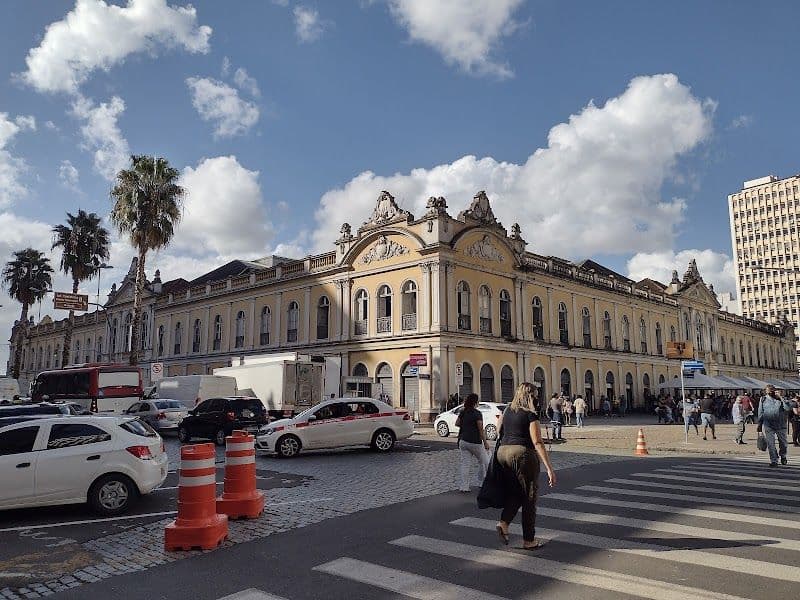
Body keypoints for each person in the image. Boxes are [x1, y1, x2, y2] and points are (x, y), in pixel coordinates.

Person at [495, 382, 557, 550]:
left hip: (503, 454)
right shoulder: (530, 414)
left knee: (517, 493)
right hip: (522, 454)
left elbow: (498, 430)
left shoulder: (507, 409)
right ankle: (529, 540)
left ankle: (504, 523)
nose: (537, 399)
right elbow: (537, 441)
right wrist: (549, 468)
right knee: (529, 497)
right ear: (531, 396)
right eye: (536, 395)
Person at [456, 393, 490, 492]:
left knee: (465, 464)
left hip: (463, 441)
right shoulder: (477, 413)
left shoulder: (463, 412)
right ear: (475, 402)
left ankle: (464, 487)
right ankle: (485, 482)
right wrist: (485, 442)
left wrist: (466, 425)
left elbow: (457, 423)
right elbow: (480, 429)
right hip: (475, 442)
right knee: (484, 462)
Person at [757, 385, 792, 467]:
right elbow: (760, 412)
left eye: (771, 391)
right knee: (770, 444)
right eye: (767, 391)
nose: (769, 393)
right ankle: (774, 460)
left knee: (783, 444)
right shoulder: (763, 399)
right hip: (768, 425)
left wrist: (781, 398)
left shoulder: (780, 399)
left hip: (781, 425)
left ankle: (783, 455)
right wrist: (759, 424)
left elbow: (787, 408)